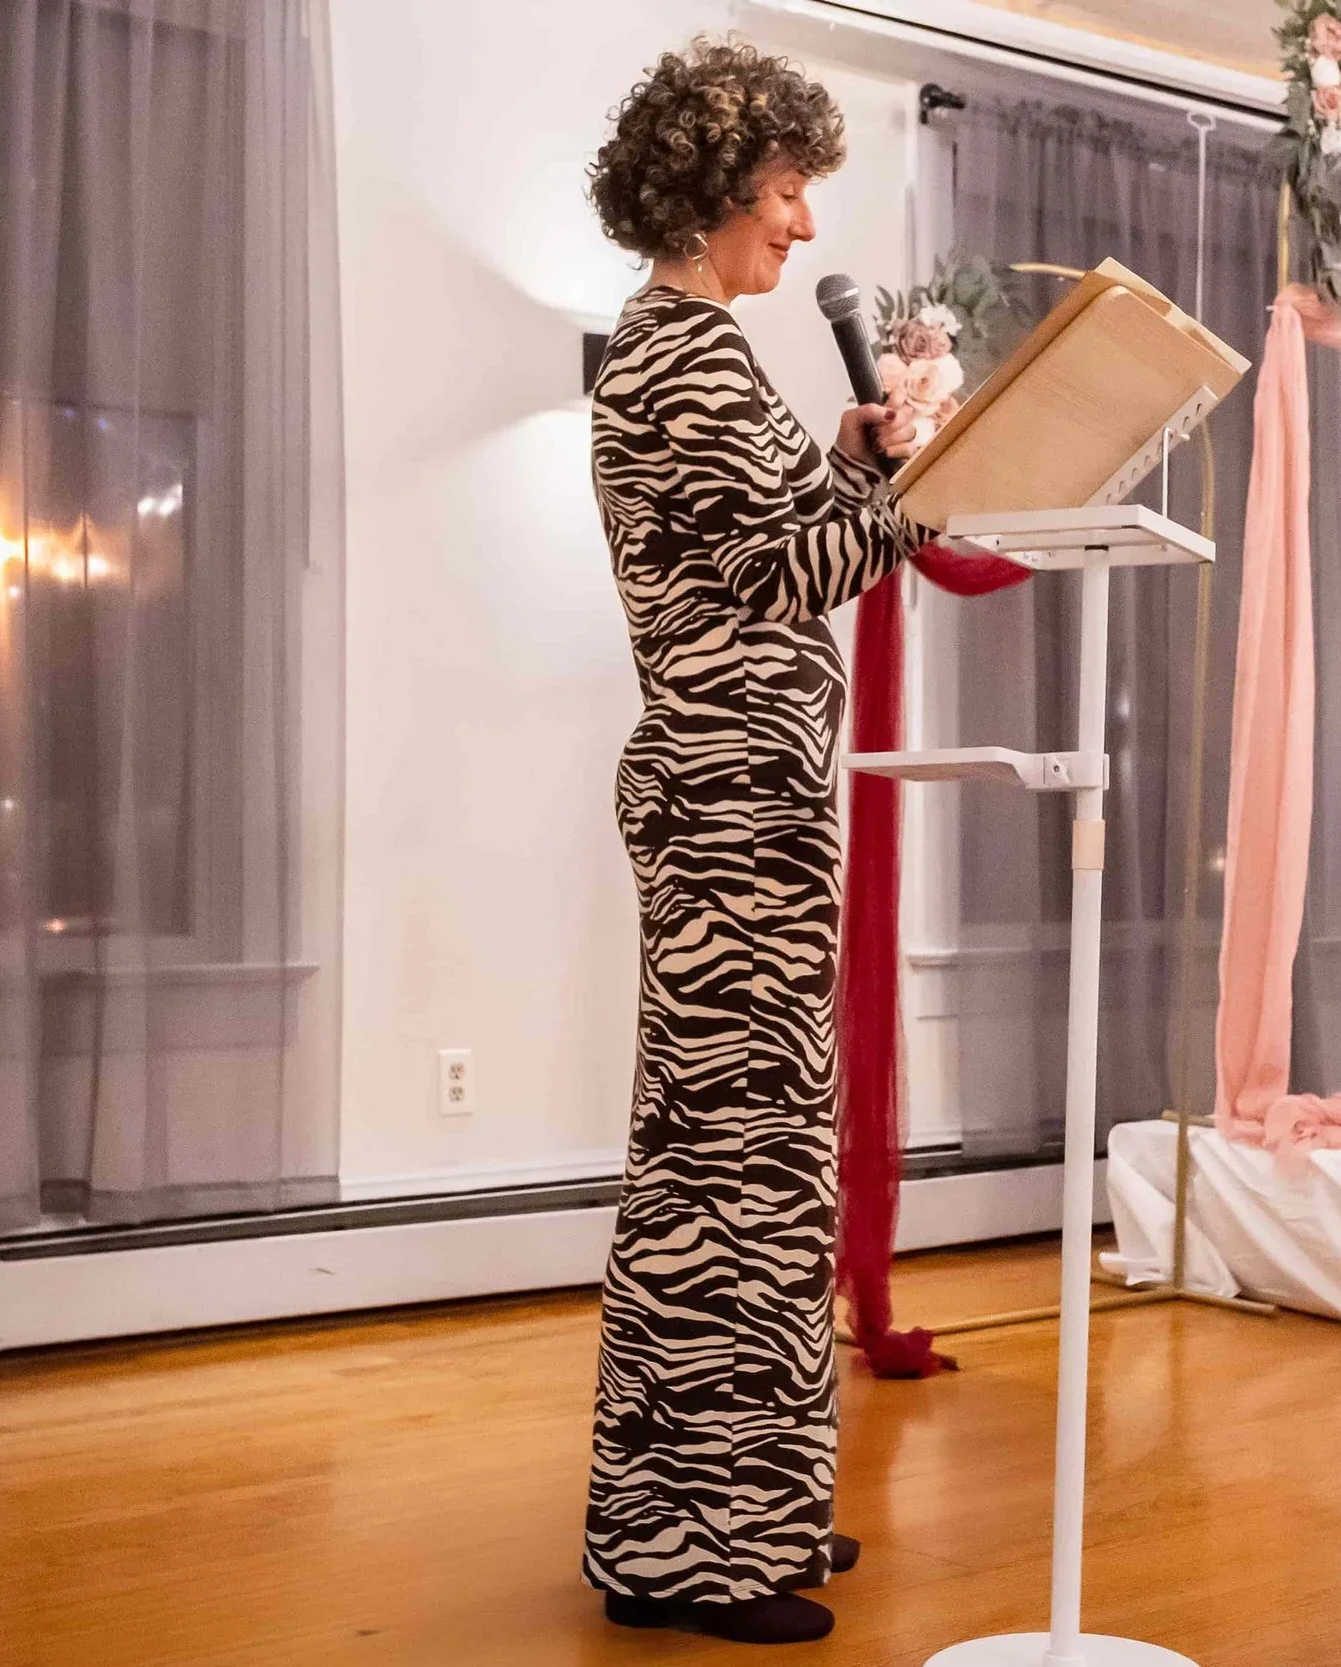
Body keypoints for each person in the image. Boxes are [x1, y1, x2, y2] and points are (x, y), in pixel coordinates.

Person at [580, 37, 920, 1646]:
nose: (798, 223)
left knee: (749, 1162)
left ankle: (741, 1507)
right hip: (728, 814)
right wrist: (918, 491)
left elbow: (771, 536)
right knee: (731, 1171)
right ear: (716, 184)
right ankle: (689, 1552)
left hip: (746, 807)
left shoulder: (693, 351)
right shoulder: (681, 354)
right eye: (785, 188)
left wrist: (848, 467)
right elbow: (790, 579)